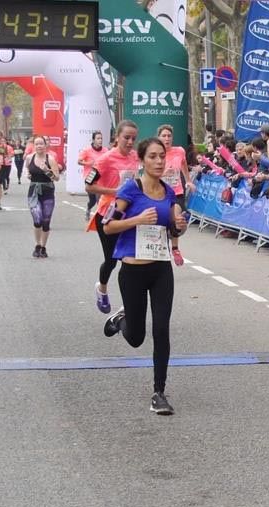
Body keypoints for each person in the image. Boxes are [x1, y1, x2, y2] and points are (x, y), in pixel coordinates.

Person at [100, 136, 187, 416]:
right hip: (133, 271)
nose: (159, 161)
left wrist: (179, 226)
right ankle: (122, 319)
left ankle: (158, 392)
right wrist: (137, 220)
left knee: (161, 329)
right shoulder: (130, 189)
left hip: (161, 269)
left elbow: (173, 231)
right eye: (152, 156)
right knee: (137, 337)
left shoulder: (169, 193)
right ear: (142, 160)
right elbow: (108, 226)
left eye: (162, 156)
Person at [87, 121, 140, 315]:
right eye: (126, 137)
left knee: (131, 259)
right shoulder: (105, 159)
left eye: (133, 138)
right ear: (117, 137)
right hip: (108, 215)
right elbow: (89, 186)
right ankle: (101, 288)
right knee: (111, 261)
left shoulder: (136, 157)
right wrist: (114, 191)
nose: (130, 142)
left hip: (131, 214)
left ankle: (129, 303)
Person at [156, 124, 196, 267]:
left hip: (176, 192)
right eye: (164, 136)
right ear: (159, 138)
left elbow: (184, 165)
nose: (167, 139)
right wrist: (161, 174)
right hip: (159, 193)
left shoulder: (179, 151)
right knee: (161, 223)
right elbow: (145, 174)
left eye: (169, 136)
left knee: (176, 218)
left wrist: (189, 181)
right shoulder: (155, 153)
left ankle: (175, 248)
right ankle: (162, 248)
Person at [25, 135, 62, 258]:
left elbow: (57, 178)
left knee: (46, 222)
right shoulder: (30, 158)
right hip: (34, 192)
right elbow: (27, 170)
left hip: (47, 192)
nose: (39, 146)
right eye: (37, 144)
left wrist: (47, 170)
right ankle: (37, 245)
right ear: (34, 146)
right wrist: (28, 174)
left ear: (46, 145)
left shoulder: (50, 159)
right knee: (37, 220)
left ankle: (43, 247)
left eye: (41, 144)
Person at [78, 132, 108, 219]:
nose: (100, 140)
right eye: (98, 138)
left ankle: (100, 218)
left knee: (100, 198)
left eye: (101, 138)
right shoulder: (87, 150)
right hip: (90, 176)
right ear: (93, 140)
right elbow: (79, 161)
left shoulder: (105, 151)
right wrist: (89, 163)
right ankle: (88, 208)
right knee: (93, 200)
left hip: (101, 178)